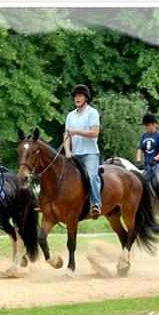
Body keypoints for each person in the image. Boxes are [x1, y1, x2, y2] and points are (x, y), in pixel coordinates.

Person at [64, 84, 102, 218]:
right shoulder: (70, 116)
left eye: (79, 96)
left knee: (91, 176)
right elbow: (66, 135)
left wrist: (76, 131)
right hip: (74, 155)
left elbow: (94, 133)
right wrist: (68, 151)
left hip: (90, 153)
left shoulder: (92, 112)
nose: (76, 98)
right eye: (75, 96)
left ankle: (95, 204)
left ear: (86, 98)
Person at [136, 112, 159, 202]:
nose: (146, 127)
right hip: (147, 164)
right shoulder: (144, 136)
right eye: (145, 125)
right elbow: (140, 149)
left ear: (154, 124)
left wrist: (155, 159)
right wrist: (139, 161)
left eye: (148, 125)